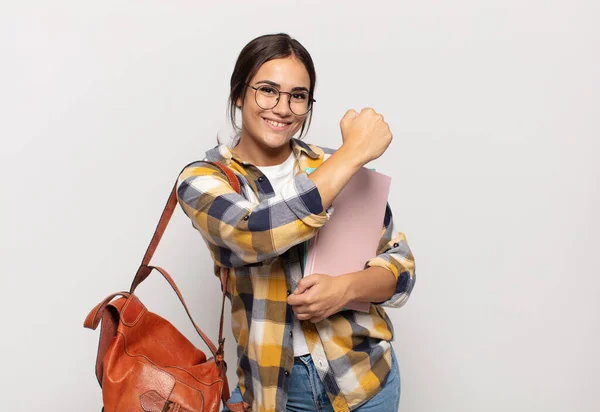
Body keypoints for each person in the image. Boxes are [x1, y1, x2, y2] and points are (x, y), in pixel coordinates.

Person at [176, 33, 416, 412]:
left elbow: (400, 269)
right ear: (239, 94)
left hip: (365, 381)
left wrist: (345, 288)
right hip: (274, 395)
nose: (282, 108)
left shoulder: (336, 165)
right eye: (268, 90)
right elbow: (253, 232)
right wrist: (352, 154)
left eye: (298, 96)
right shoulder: (204, 179)